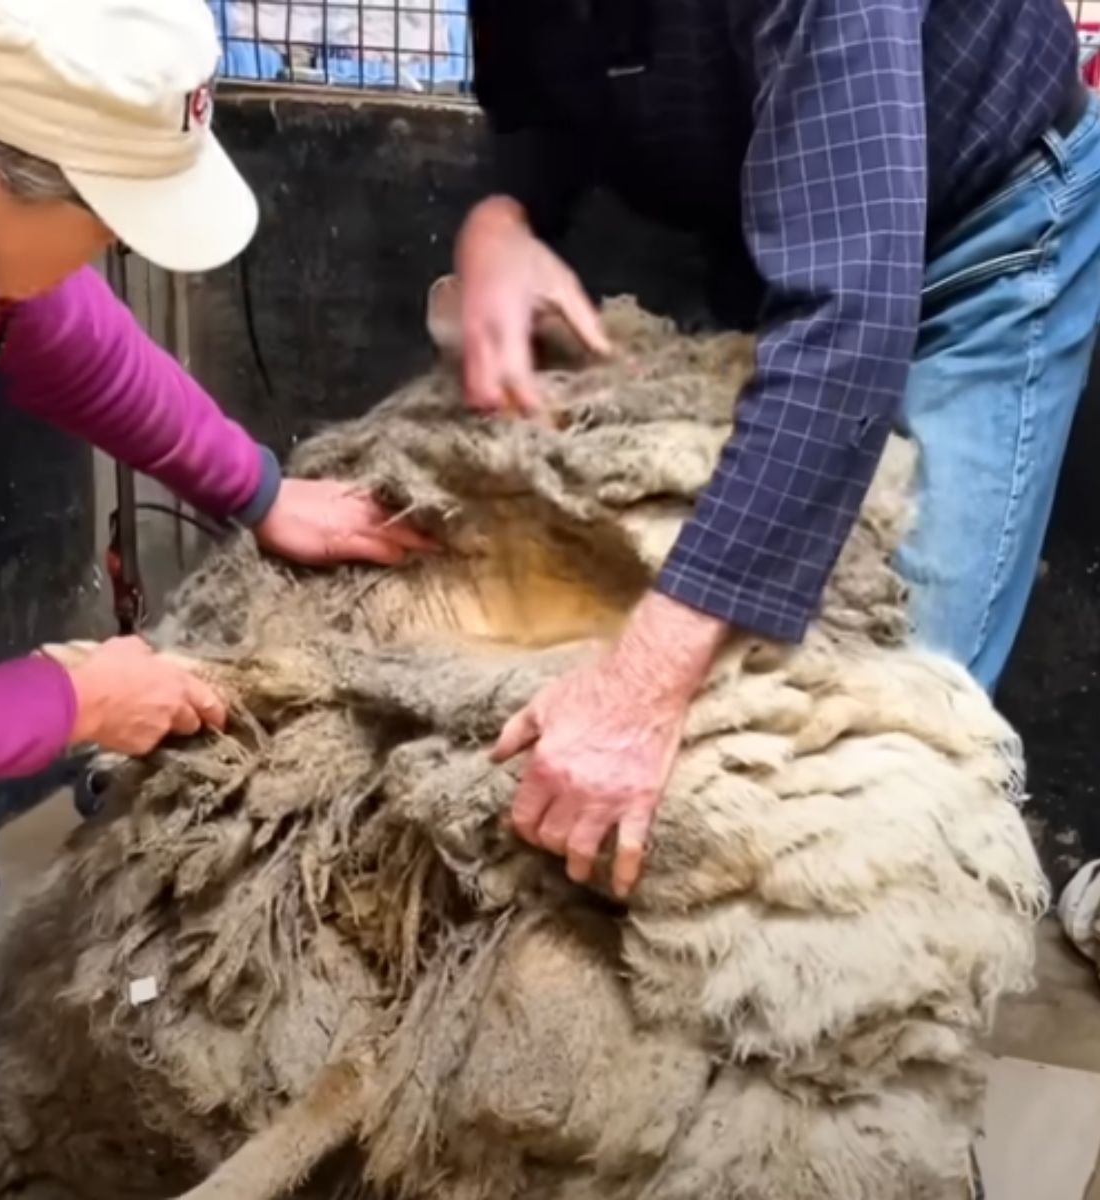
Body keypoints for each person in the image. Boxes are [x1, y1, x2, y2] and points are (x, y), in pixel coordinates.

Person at [457, 0, 1100, 895]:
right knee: (720, 673)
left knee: (891, 713)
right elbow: (540, 92)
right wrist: (505, 215)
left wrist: (640, 688)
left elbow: (849, 319)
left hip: (975, 224)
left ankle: (875, 976)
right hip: (786, 224)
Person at [0, 0, 429, 798]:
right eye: (110, 217)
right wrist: (69, 703)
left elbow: (62, 325)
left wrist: (254, 488)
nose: (120, 245)